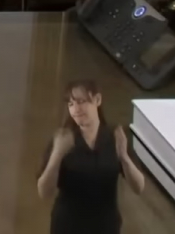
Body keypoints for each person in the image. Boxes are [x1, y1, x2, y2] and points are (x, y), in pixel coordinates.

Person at [36, 79, 146, 234]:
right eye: (71, 104)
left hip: (106, 226)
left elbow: (139, 187)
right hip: (68, 227)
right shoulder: (63, 138)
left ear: (97, 100)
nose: (76, 109)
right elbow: (44, 192)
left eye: (81, 101)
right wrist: (57, 155)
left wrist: (123, 156)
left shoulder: (115, 136)